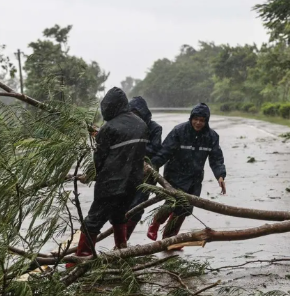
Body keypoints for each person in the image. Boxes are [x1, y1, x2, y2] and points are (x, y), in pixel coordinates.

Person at [67, 87, 148, 268]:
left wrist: (88, 176)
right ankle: (121, 251)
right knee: (119, 215)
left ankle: (80, 261)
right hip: (133, 183)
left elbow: (99, 160)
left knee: (93, 220)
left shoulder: (108, 128)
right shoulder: (141, 125)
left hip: (110, 184)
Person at [147, 103, 226, 244]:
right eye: (196, 119)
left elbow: (216, 158)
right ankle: (155, 223)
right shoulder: (179, 131)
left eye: (202, 120)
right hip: (175, 174)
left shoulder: (211, 136)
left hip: (194, 178)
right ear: (191, 118)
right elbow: (165, 151)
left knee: (185, 209)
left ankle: (169, 239)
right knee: (171, 203)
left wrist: (220, 175)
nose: (198, 123)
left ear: (206, 121)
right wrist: (153, 166)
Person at [125, 96, 162, 239]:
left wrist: (134, 151)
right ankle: (120, 238)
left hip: (147, 173)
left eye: (138, 114)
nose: (135, 117)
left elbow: (154, 148)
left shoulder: (155, 128)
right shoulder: (126, 127)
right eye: (132, 113)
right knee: (122, 205)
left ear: (144, 114)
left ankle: (124, 240)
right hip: (127, 172)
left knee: (138, 206)